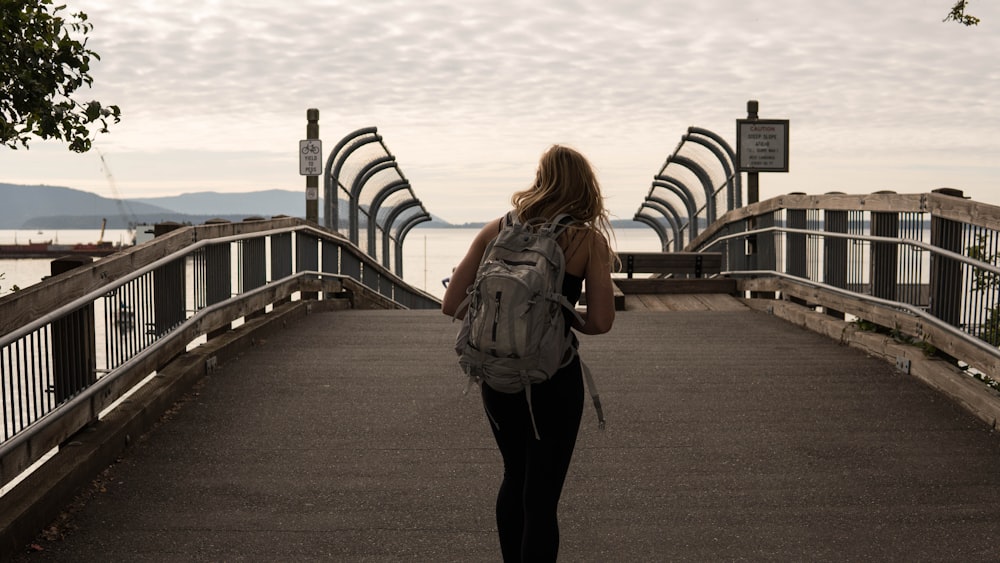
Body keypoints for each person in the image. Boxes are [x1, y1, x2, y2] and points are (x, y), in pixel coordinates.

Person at [441, 144, 616, 562]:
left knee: (514, 477)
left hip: (499, 376)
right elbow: (602, 322)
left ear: (541, 179)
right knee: (542, 499)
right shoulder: (586, 240)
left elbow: (451, 304)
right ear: (584, 186)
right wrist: (562, 313)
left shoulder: (498, 228)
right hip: (554, 380)